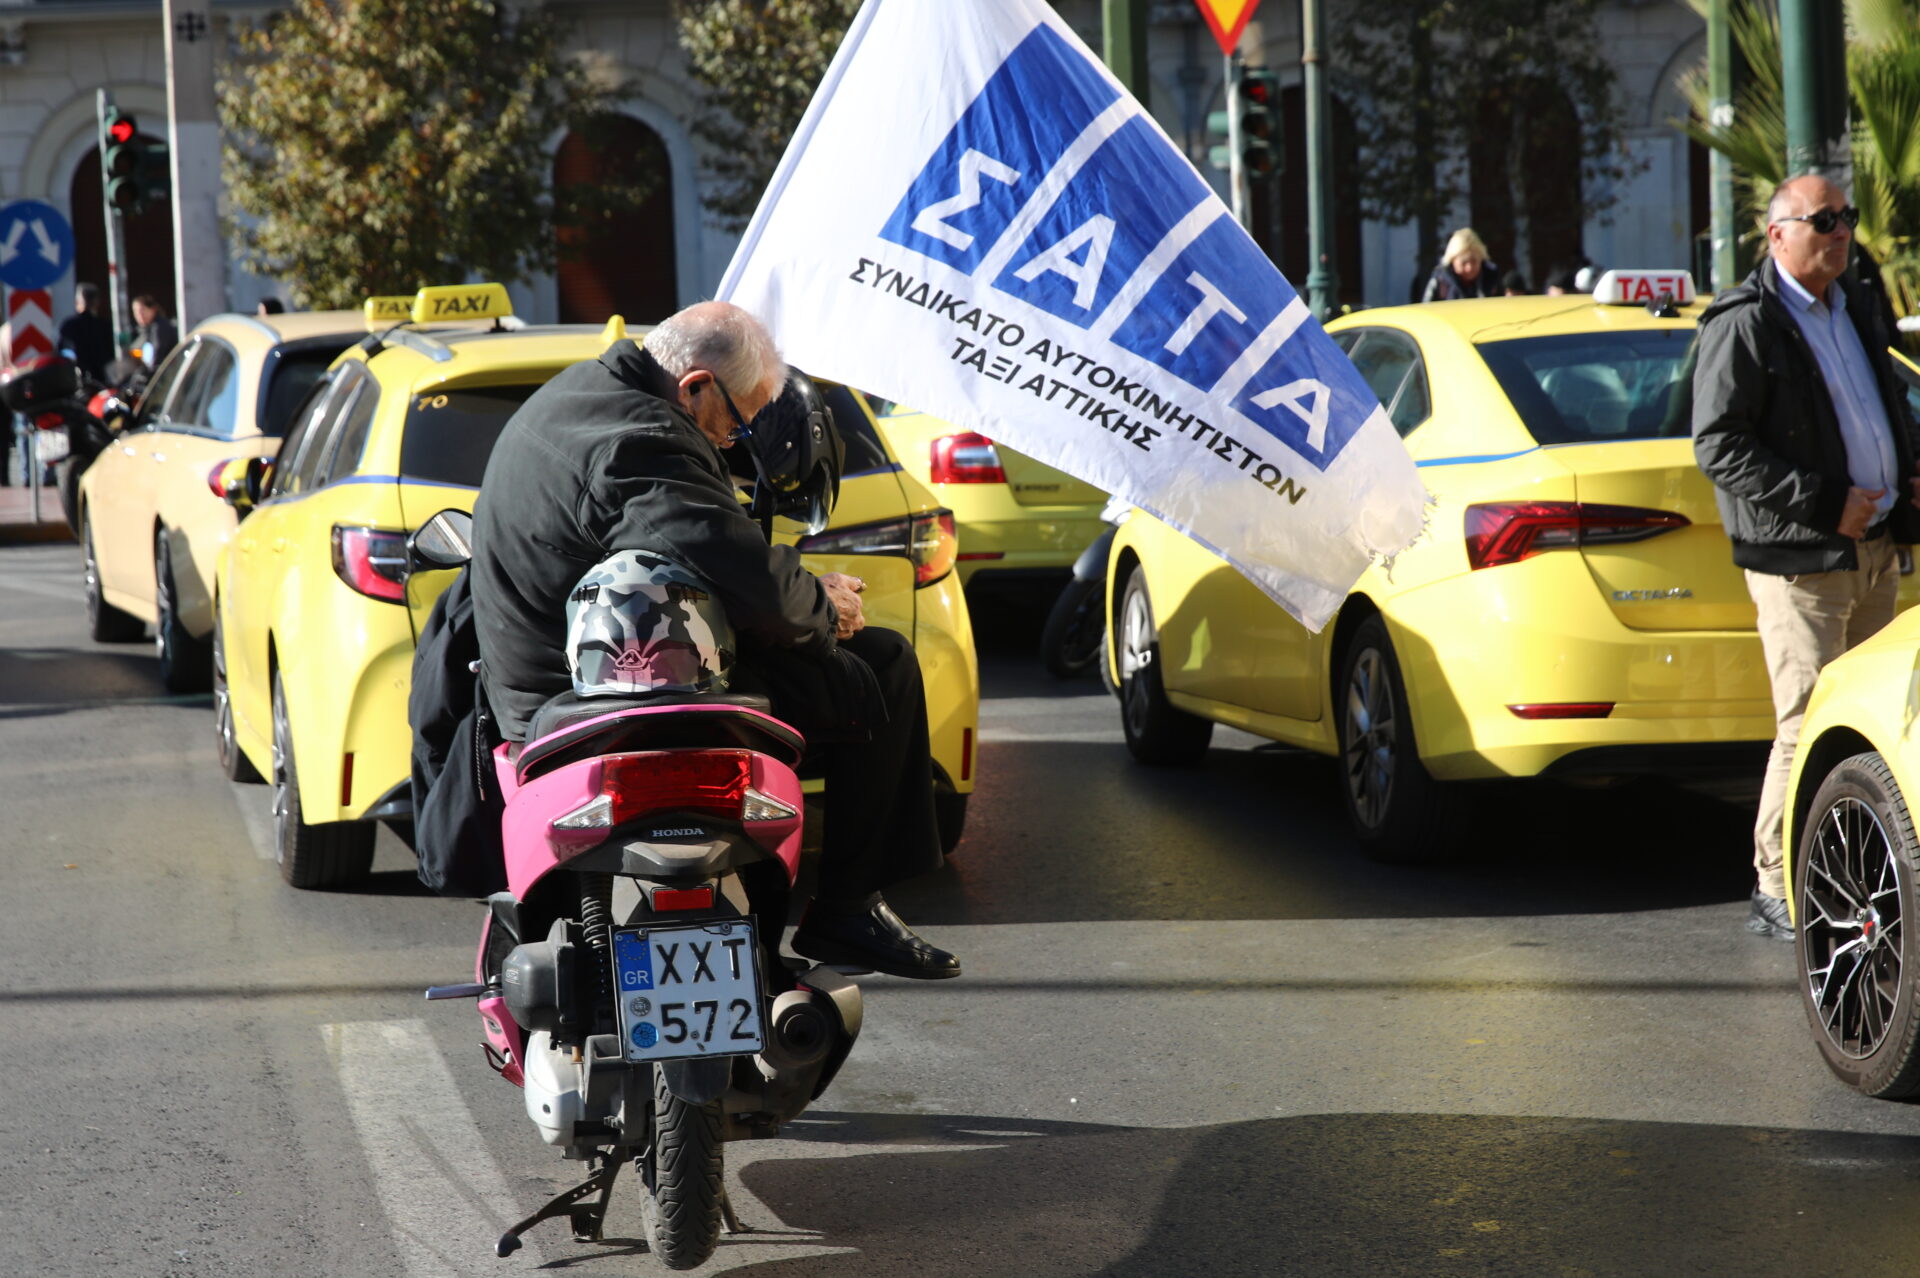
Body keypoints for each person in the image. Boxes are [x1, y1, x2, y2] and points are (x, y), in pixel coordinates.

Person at [467, 300, 961, 979]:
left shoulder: (579, 392)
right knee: (882, 666)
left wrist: (801, 592)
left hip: (568, 676)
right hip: (593, 694)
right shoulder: (643, 439)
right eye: (737, 421)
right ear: (697, 386)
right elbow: (749, 582)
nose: (733, 441)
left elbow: (694, 559)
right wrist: (824, 606)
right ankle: (849, 907)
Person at [1692, 173, 1920, 941]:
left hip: (1875, 548)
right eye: (1824, 220)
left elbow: (1882, 406)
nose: (1842, 230)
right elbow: (1718, 444)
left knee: (1875, 722)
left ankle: (1855, 872)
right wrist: (1825, 503)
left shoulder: (1854, 303)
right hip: (1802, 560)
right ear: (1778, 234)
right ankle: (1774, 885)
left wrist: (1906, 471)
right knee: (1806, 722)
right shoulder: (1746, 320)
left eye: (1846, 217)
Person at [1421, 228, 1502, 302]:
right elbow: (1427, 308)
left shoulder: (1491, 276)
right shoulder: (1441, 279)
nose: (1469, 268)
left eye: (1474, 261)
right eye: (1464, 262)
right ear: (1452, 260)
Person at [56, 283, 113, 383]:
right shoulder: (104, 325)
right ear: (96, 303)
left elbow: (63, 352)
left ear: (77, 302)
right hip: (102, 380)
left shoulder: (69, 325)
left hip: (77, 379)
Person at [130, 294, 178, 369]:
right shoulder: (145, 329)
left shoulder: (160, 327)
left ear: (153, 309)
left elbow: (157, 355)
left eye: (142, 310)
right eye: (136, 311)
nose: (139, 315)